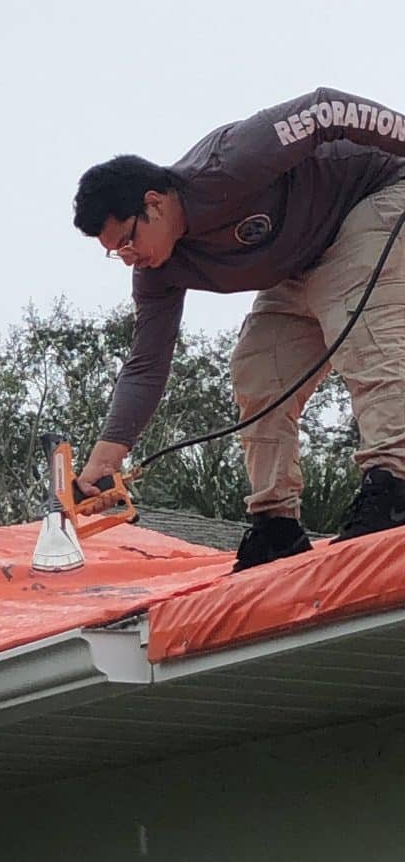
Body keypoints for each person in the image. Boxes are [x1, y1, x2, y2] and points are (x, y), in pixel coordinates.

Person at [72, 87, 405, 572]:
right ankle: (277, 524)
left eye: (127, 240)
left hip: (374, 196)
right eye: (115, 252)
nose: (128, 257)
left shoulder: (226, 165)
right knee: (258, 371)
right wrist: (106, 458)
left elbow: (327, 108)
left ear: (155, 204)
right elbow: (146, 364)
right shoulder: (157, 274)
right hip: (301, 260)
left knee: (363, 331)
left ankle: (394, 486)